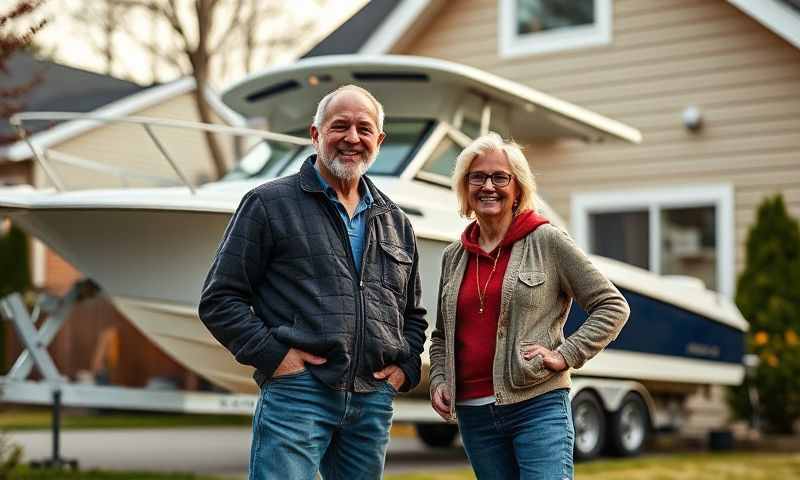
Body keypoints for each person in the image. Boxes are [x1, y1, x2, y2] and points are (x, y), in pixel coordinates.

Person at [199, 85, 427, 480]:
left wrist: (404, 367)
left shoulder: (396, 221)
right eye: (340, 126)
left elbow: (412, 314)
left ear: (380, 140)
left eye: (364, 128)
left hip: (372, 400)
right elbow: (220, 300)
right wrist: (276, 358)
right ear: (315, 134)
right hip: (298, 393)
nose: (352, 138)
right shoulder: (268, 204)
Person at [429, 133, 629, 479]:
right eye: (477, 177)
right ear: (465, 187)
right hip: (474, 413)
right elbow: (442, 336)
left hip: (537, 405)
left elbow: (612, 305)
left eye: (499, 177)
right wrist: (438, 379)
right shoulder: (453, 256)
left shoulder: (547, 241)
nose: (487, 186)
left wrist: (566, 354)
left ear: (517, 188)